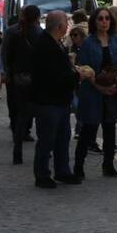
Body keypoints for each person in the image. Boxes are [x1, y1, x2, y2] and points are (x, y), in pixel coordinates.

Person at [31, 11, 85, 189]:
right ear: (60, 26)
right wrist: (76, 76)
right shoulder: (45, 45)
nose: (68, 25)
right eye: (66, 23)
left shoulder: (54, 42)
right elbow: (53, 75)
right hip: (49, 101)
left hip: (60, 100)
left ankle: (62, 171)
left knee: (63, 137)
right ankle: (42, 175)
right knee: (47, 139)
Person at [74, 7, 117, 178]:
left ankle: (108, 164)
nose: (104, 22)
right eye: (100, 19)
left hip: (112, 91)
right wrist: (99, 86)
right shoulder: (88, 43)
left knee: (110, 128)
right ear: (94, 22)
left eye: (107, 18)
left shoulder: (116, 41)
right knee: (89, 128)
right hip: (92, 91)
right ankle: (78, 165)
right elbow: (85, 69)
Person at [3, 5, 43, 164]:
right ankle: (43, 149)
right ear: (38, 17)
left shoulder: (13, 32)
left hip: (18, 77)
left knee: (19, 112)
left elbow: (6, 55)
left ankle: (17, 148)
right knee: (38, 112)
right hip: (36, 79)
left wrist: (8, 73)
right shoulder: (41, 34)